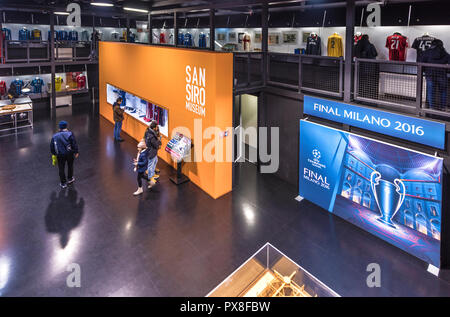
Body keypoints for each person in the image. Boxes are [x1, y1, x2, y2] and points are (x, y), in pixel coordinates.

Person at [420, 39, 450, 110]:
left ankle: (431, 107)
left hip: (430, 74)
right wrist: (446, 71)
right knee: (443, 91)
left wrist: (425, 71)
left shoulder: (426, 52)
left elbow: (421, 63)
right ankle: (443, 107)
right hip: (442, 75)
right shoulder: (445, 53)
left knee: (430, 91)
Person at [50, 121, 79, 189]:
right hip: (69, 154)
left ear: (59, 127)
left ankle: (63, 183)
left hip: (60, 155)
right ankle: (70, 178)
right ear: (66, 126)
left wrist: (54, 154)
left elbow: (52, 146)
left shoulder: (55, 136)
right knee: (70, 166)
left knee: (61, 168)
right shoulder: (70, 134)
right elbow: (74, 143)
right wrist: (76, 152)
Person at [354, 35, 379, 100]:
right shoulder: (371, 45)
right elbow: (375, 54)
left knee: (360, 82)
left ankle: (358, 95)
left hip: (359, 67)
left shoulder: (357, 45)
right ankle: (368, 97)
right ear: (368, 38)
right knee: (369, 83)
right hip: (370, 67)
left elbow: (354, 54)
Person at [144, 120, 161, 188]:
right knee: (151, 164)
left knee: (155, 161)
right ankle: (150, 177)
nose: (157, 128)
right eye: (156, 127)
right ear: (154, 127)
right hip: (152, 151)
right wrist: (159, 140)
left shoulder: (149, 131)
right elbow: (155, 144)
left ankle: (153, 174)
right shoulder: (151, 136)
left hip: (153, 151)